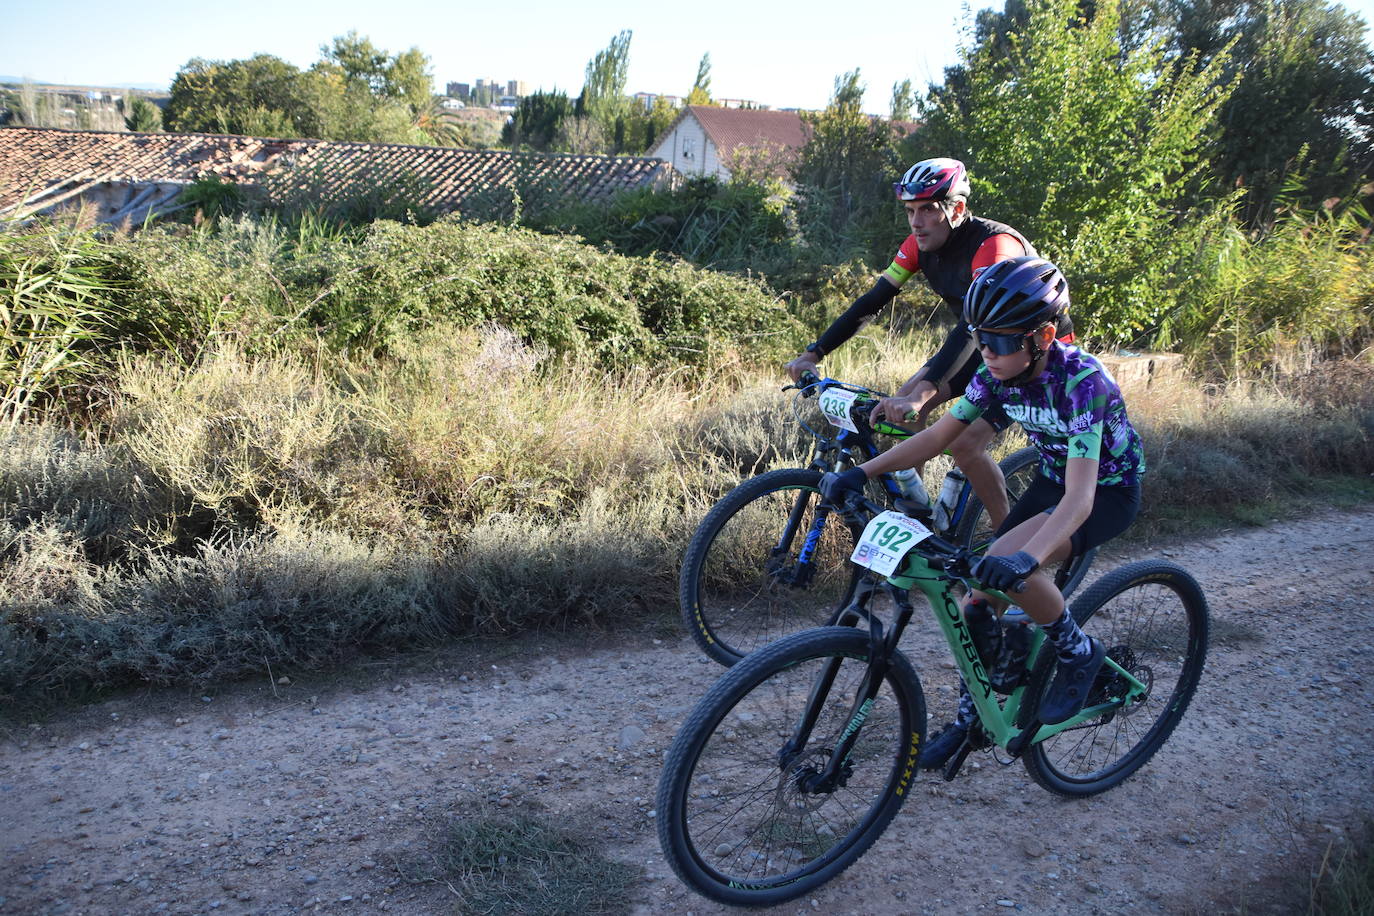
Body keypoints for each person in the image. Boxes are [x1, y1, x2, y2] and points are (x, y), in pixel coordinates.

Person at [818, 256, 1145, 771]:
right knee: (975, 603)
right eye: (980, 338)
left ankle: (1079, 654)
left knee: (1011, 566)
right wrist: (862, 475)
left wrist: (1027, 558)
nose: (987, 352)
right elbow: (936, 438)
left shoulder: (1084, 382)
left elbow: (1080, 499)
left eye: (1001, 341)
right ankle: (977, 717)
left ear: (1041, 335)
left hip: (1105, 492)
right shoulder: (998, 373)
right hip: (1051, 481)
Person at [785, 157, 1075, 529]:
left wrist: (926, 389)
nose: (916, 221)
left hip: (1032, 353)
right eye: (909, 211)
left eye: (927, 210)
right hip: (984, 341)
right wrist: (814, 351)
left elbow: (973, 321)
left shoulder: (995, 245)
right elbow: (873, 301)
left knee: (965, 442)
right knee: (905, 409)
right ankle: (921, 523)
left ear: (957, 209)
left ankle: (1009, 546)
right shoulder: (917, 245)